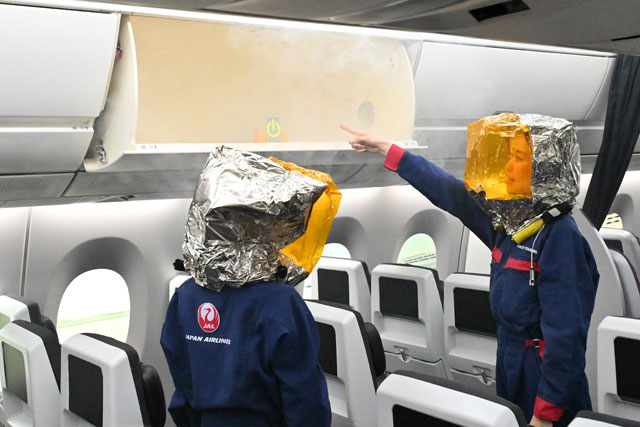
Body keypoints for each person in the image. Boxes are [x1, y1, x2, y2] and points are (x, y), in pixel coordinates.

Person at [342, 114, 599, 427]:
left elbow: (566, 338)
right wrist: (387, 148)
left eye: (518, 158)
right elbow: (450, 192)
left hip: (544, 373)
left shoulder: (560, 237)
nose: (507, 167)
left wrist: (544, 416)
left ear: (543, 168)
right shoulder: (512, 226)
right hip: (510, 359)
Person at [161, 146, 334, 427]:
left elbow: (182, 382)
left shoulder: (185, 295)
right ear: (264, 230)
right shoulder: (280, 302)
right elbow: (304, 397)